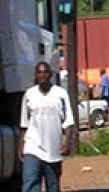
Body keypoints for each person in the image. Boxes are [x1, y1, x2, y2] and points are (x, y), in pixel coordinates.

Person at [19, 61, 74, 192]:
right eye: (39, 72)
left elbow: (68, 122)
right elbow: (24, 123)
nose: (42, 75)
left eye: (45, 72)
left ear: (50, 74)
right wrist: (21, 146)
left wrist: (66, 144)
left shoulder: (60, 94)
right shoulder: (29, 95)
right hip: (32, 147)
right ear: (36, 75)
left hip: (53, 149)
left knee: (53, 185)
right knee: (30, 182)